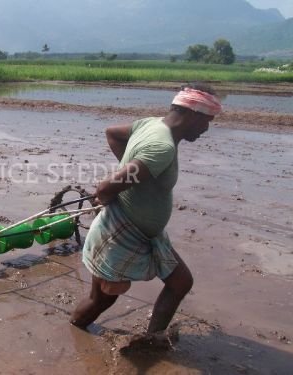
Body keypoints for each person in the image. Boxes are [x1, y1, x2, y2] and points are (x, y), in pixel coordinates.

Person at [71, 83, 222, 338]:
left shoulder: (151, 124)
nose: (207, 128)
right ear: (193, 113)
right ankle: (75, 330)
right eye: (207, 120)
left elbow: (112, 134)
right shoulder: (161, 147)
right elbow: (106, 188)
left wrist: (134, 173)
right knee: (102, 300)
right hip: (121, 232)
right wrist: (117, 188)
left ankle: (153, 340)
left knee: (180, 282)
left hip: (146, 233)